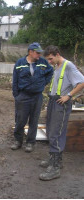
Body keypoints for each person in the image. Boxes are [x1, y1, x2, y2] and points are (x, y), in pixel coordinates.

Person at [39, 45, 84, 181]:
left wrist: (68, 96)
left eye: (51, 58)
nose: (49, 61)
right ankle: (55, 159)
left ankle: (55, 167)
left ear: (57, 54)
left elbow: (81, 82)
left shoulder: (68, 65)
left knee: (56, 133)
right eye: (48, 59)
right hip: (54, 102)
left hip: (61, 103)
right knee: (51, 131)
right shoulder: (57, 66)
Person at [11, 42, 53, 152]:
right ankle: (18, 141)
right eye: (37, 53)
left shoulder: (43, 62)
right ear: (30, 52)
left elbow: (50, 72)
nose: (39, 55)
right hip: (23, 96)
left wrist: (44, 83)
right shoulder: (20, 63)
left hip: (37, 96)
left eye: (40, 53)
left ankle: (30, 143)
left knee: (34, 121)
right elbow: (15, 80)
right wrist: (16, 95)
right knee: (20, 120)